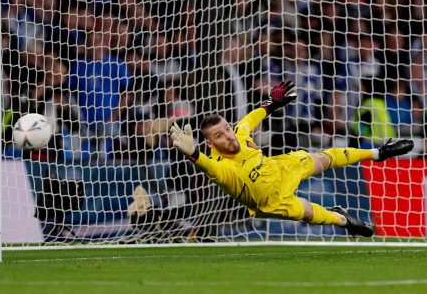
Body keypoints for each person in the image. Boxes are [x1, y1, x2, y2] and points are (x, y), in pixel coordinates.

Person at [169, 81, 414, 237]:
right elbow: (208, 167)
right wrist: (193, 154)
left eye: (227, 129)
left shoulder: (239, 135)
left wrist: (271, 104)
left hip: (279, 168)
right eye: (219, 136)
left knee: (322, 158)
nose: (229, 137)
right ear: (210, 143)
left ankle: (378, 153)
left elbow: (250, 119)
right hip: (270, 200)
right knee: (308, 212)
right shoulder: (221, 167)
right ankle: (344, 220)